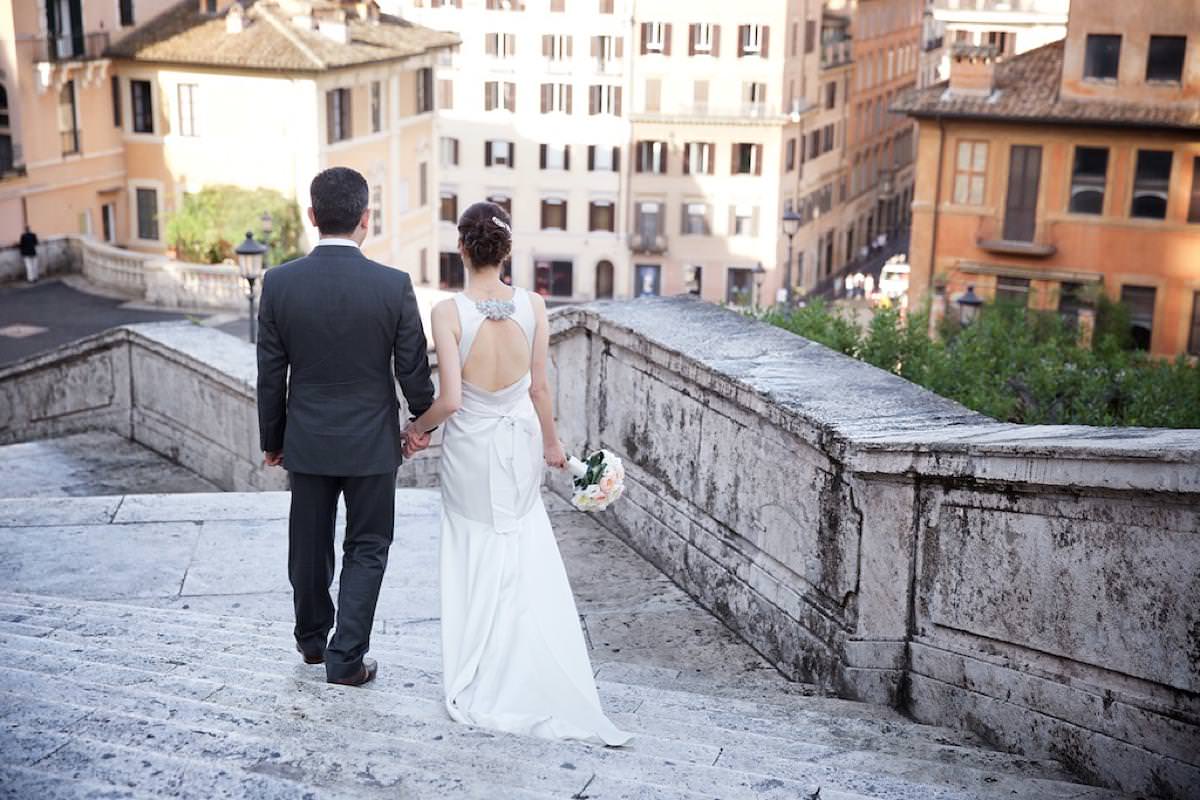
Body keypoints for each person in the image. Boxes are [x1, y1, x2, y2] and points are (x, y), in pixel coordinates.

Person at [406, 200, 632, 747]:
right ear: (508, 250)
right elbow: (539, 389)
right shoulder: (533, 305)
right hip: (523, 439)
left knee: (475, 545)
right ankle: (531, 656)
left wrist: (416, 429)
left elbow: (452, 400)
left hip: (473, 450)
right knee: (522, 541)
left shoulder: (447, 311)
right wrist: (553, 444)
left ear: (461, 247)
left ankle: (482, 664)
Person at [256, 167, 435, 686]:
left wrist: (273, 439)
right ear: (366, 219)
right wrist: (420, 423)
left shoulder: (279, 283)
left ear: (312, 217)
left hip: (307, 440)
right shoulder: (393, 285)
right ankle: (347, 658)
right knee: (368, 545)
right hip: (373, 444)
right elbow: (413, 370)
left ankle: (313, 641)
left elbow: (271, 372)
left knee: (308, 541)